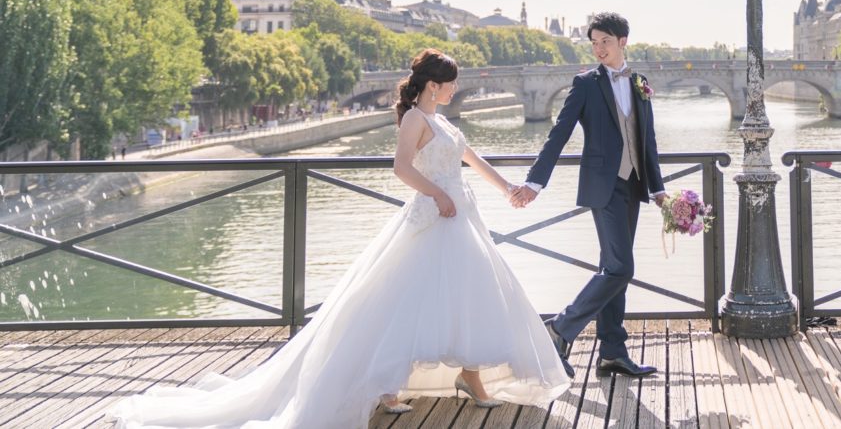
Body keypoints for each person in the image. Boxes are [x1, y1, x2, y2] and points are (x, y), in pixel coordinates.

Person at [113, 49, 571, 428]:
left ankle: (470, 377)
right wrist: (437, 195)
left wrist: (509, 189)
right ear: (435, 85)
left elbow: (471, 159)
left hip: (460, 214)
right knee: (404, 300)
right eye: (451, 82)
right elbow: (402, 169)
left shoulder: (444, 122)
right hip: (436, 214)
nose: (456, 88)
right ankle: (389, 386)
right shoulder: (415, 119)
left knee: (469, 296)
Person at [513, 11, 666, 378]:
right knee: (620, 268)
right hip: (604, 186)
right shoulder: (584, 84)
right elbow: (559, 134)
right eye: (594, 42)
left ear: (623, 41)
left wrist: (659, 190)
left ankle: (612, 352)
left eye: (605, 42)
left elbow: (647, 142)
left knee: (614, 269)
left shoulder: (640, 82)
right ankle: (560, 328)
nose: (599, 49)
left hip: (634, 185)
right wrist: (535, 182)